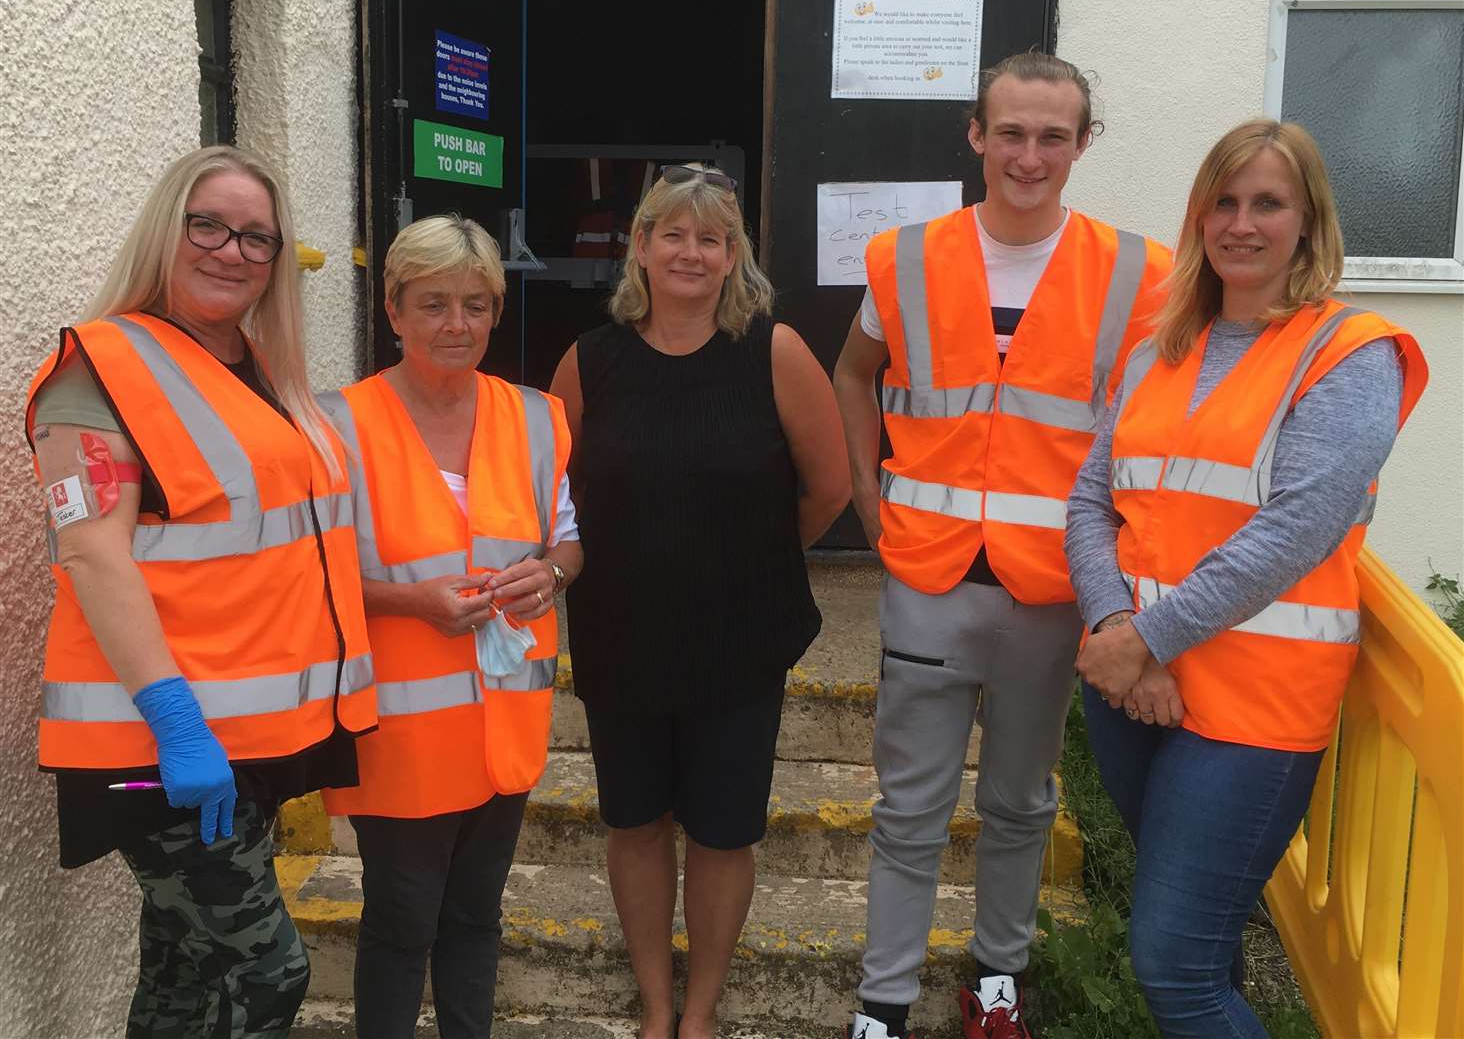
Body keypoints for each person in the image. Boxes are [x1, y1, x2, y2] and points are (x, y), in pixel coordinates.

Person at [832, 51, 1172, 1039]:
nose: (1030, 155)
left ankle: (996, 985)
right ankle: (882, 1006)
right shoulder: (902, 256)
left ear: (1081, 144)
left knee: (1022, 803)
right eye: (1010, 132)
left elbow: (1153, 431)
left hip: (1056, 586)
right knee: (909, 807)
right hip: (930, 575)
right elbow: (854, 373)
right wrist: (865, 491)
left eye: (1052, 136)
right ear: (977, 136)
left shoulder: (1140, 274)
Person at [1065, 119, 1427, 1037]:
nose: (1241, 223)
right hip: (1133, 690)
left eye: (1267, 202)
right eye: (1221, 201)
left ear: (1309, 219)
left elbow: (1294, 532)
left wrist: (1143, 639)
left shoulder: (1350, 352)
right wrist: (1120, 633)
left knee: (1174, 966)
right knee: (1207, 944)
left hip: (1250, 708)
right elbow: (1092, 501)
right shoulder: (1159, 346)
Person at [24, 145, 376, 1037]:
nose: (233, 250)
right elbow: (95, 556)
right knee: (270, 975)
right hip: (160, 746)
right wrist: (178, 724)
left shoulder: (260, 369)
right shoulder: (96, 370)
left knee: (184, 975)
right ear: (165, 231)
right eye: (209, 225)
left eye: (258, 237)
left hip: (244, 739)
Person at [550, 163, 850, 1039]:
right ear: (639, 248)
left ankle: (701, 1012)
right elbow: (555, 493)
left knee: (722, 833)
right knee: (636, 823)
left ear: (733, 258)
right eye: (672, 234)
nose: (690, 251)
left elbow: (828, 487)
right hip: (621, 634)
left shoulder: (774, 349)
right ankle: (653, 1003)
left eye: (710, 238)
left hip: (739, 638)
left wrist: (745, 557)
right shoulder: (588, 361)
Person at [318, 214, 582, 1039]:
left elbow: (566, 537)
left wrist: (554, 573)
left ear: (496, 311)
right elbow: (308, 578)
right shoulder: (335, 426)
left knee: (476, 918)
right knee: (401, 925)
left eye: (475, 304)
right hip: (395, 731)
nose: (457, 325)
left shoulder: (536, 417)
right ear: (392, 310)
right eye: (433, 304)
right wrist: (413, 603)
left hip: (504, 723)